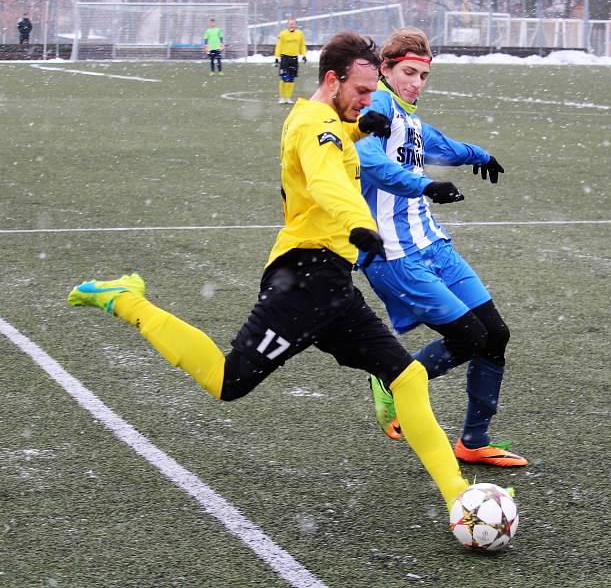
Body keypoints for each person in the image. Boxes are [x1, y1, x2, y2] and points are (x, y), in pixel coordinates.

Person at [67, 31, 470, 510]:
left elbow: (330, 145)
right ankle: (126, 298)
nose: (367, 100)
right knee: (227, 380)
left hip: (331, 281)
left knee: (407, 378)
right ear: (332, 80)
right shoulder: (315, 126)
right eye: (361, 92)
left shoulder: (317, 116)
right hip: (304, 279)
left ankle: (457, 497)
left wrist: (360, 129)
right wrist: (361, 223)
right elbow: (324, 179)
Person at [355, 28, 527, 467]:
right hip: (393, 253)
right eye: (408, 72)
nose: (416, 82)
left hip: (432, 243)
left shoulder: (411, 120)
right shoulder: (374, 107)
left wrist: (481, 155)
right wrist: (425, 183)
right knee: (468, 336)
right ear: (385, 70)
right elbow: (369, 162)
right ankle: (394, 379)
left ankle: (473, 441)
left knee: (495, 335)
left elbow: (442, 145)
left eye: (424, 75)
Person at [274, 17, 307, 104]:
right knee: (284, 78)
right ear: (287, 25)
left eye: (293, 24)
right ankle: (282, 97)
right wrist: (277, 57)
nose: (291, 25)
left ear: (296, 25)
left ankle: (288, 97)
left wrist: (304, 55)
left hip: (294, 59)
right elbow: (279, 46)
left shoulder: (300, 34)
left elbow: (302, 45)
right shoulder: (283, 34)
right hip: (285, 58)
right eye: (290, 24)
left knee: (291, 79)